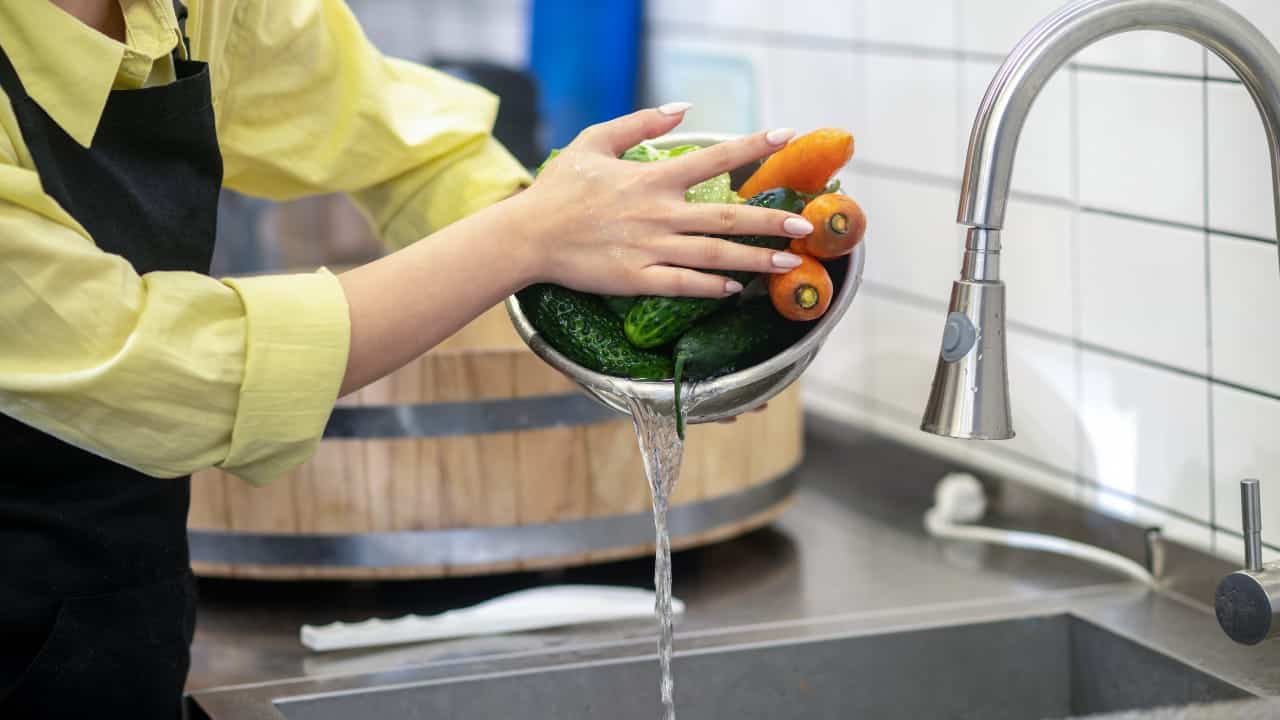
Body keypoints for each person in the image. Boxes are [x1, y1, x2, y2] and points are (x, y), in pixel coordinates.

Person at [0, 1, 814, 716]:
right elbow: (163, 371)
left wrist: (621, 306)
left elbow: (407, 145)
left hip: (120, 601)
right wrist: (531, 236)